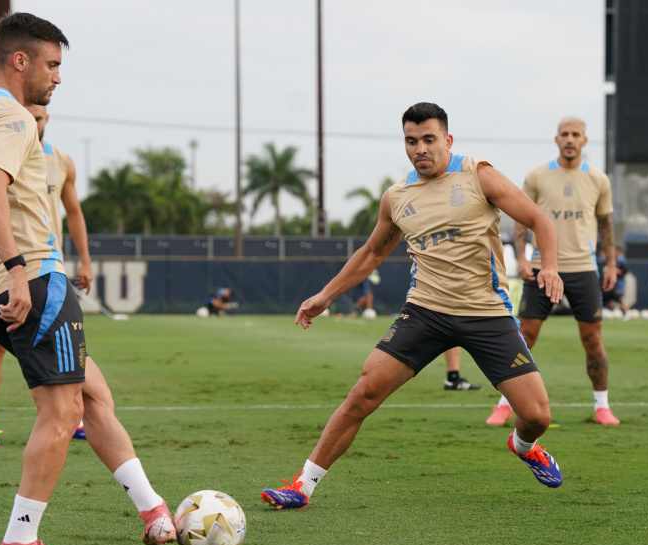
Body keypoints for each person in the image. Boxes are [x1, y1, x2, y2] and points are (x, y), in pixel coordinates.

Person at [0, 12, 175, 545]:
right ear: (19, 61)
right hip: (35, 281)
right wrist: (19, 270)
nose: (58, 78)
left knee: (92, 397)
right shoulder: (15, 118)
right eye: (51, 64)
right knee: (62, 408)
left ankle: (156, 514)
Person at [261, 102, 565, 509]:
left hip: (487, 314)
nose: (420, 148)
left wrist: (551, 267)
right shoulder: (397, 196)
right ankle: (303, 485)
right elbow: (371, 253)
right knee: (363, 393)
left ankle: (523, 445)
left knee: (538, 415)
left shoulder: (479, 175)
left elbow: (540, 220)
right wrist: (325, 296)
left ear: (447, 140)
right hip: (425, 312)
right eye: (411, 141)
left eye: (428, 139)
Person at [485, 116, 621, 427]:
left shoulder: (599, 180)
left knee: (592, 340)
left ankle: (602, 406)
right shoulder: (537, 176)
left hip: (584, 268)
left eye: (576, 135)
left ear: (585, 141)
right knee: (523, 338)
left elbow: (605, 224)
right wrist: (521, 257)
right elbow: (521, 219)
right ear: (556, 139)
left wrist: (610, 264)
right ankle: (505, 404)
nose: (570, 139)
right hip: (541, 269)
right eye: (564, 134)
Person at [0, 102, 93, 447]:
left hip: (49, 266)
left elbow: (74, 212)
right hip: (8, 267)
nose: (34, 122)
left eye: (39, 118)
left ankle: (77, 415)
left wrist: (85, 261)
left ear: (46, 119)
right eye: (30, 116)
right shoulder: (0, 149)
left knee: (71, 341)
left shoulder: (61, 160)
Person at [602, 247, 628, 315]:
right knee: (609, 299)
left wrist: (617, 271)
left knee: (618, 298)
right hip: (608, 284)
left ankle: (627, 311)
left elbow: (625, 271)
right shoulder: (606, 262)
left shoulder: (621, 261)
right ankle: (615, 311)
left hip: (617, 283)